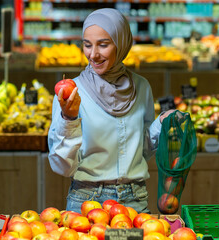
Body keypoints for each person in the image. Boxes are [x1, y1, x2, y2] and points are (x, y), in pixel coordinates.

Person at [48, 8, 176, 214]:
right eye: (87, 45)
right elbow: (61, 167)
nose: (93, 54)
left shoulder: (141, 87)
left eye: (103, 45)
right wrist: (68, 119)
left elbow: (141, 151)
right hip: (87, 200)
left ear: (121, 43)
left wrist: (161, 124)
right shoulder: (71, 93)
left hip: (135, 199)